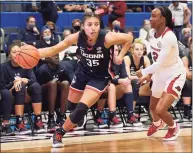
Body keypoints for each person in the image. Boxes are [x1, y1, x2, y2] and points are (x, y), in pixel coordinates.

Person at [38, 12, 133, 147]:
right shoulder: (77, 37)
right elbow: (53, 50)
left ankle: (59, 132)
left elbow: (129, 38)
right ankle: (77, 117)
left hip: (100, 78)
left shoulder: (107, 38)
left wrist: (120, 57)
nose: (93, 28)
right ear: (82, 27)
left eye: (96, 24)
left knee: (81, 108)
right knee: (72, 106)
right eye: (89, 25)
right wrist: (35, 53)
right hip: (83, 73)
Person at [136, 7, 186, 141]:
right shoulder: (152, 33)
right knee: (152, 107)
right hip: (160, 72)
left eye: (153, 16)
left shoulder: (169, 36)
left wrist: (144, 72)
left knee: (160, 110)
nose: (150, 19)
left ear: (162, 19)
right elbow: (156, 60)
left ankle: (173, 127)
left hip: (174, 74)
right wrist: (149, 75)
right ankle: (158, 123)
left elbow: (160, 63)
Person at [1, 43, 45, 134]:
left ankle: (38, 120)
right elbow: (2, 86)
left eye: (19, 52)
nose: (17, 54)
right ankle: (19, 123)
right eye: (14, 52)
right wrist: (13, 83)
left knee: (36, 86)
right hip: (10, 93)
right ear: (9, 54)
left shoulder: (26, 63)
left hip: (25, 94)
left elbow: (33, 80)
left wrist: (23, 80)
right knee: (18, 86)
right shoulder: (3, 67)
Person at [36, 54, 70, 132]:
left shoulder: (62, 68)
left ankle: (61, 117)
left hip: (58, 96)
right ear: (47, 58)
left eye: (57, 55)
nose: (57, 57)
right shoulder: (42, 70)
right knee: (52, 83)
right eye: (54, 55)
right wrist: (51, 84)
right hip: (43, 97)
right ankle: (50, 118)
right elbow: (37, 87)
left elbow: (68, 82)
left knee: (65, 83)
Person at [124, 39, 151, 110]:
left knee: (154, 82)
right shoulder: (127, 58)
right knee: (135, 82)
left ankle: (154, 111)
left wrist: (144, 78)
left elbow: (149, 74)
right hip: (126, 83)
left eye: (141, 49)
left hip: (141, 82)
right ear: (132, 50)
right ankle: (131, 112)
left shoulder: (145, 59)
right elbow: (127, 76)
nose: (139, 51)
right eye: (137, 49)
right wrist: (140, 77)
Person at [181, 37, 192, 120]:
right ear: (189, 46)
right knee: (187, 82)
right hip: (186, 81)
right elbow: (187, 74)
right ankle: (187, 112)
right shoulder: (185, 57)